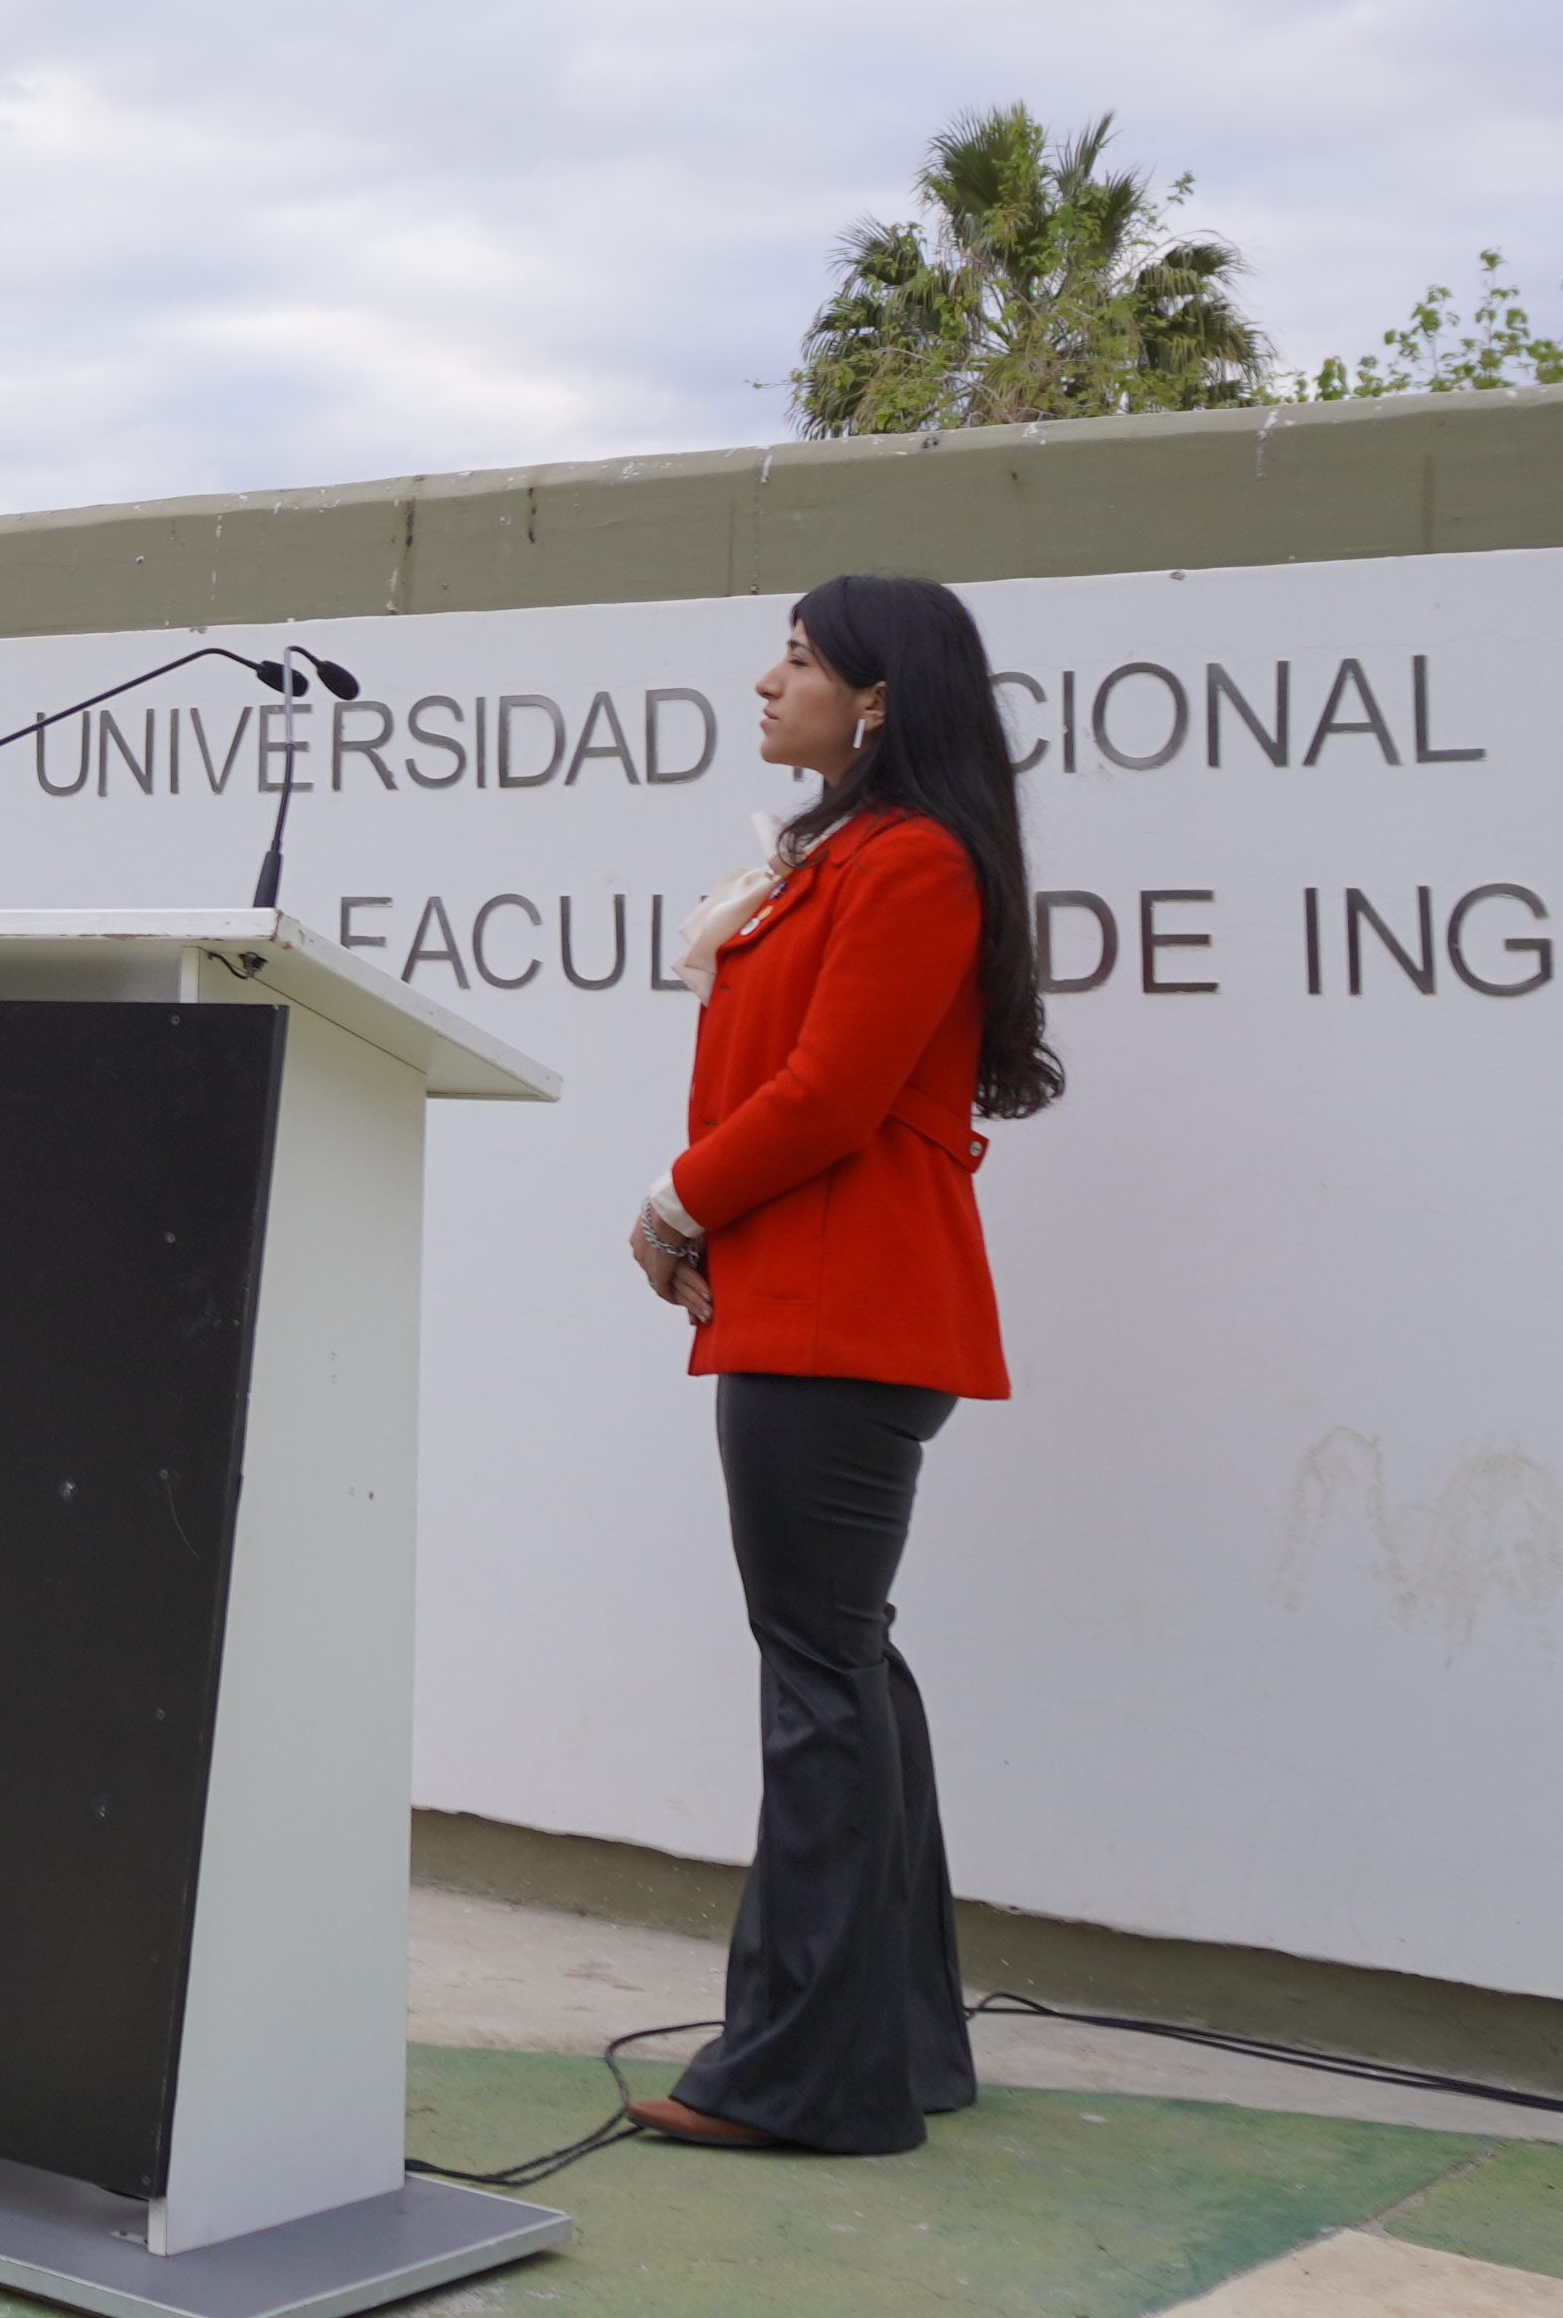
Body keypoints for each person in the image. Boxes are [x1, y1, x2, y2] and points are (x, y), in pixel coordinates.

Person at [618, 571, 1055, 2156]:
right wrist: (708, 1229)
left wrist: (674, 1202)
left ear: (875, 697)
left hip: (846, 1312)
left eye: (796, 662)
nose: (765, 681)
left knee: (820, 1675)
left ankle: (806, 2074)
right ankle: (897, 2046)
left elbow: (827, 1096)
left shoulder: (914, 862)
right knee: (845, 1661)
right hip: (810, 1299)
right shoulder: (849, 855)